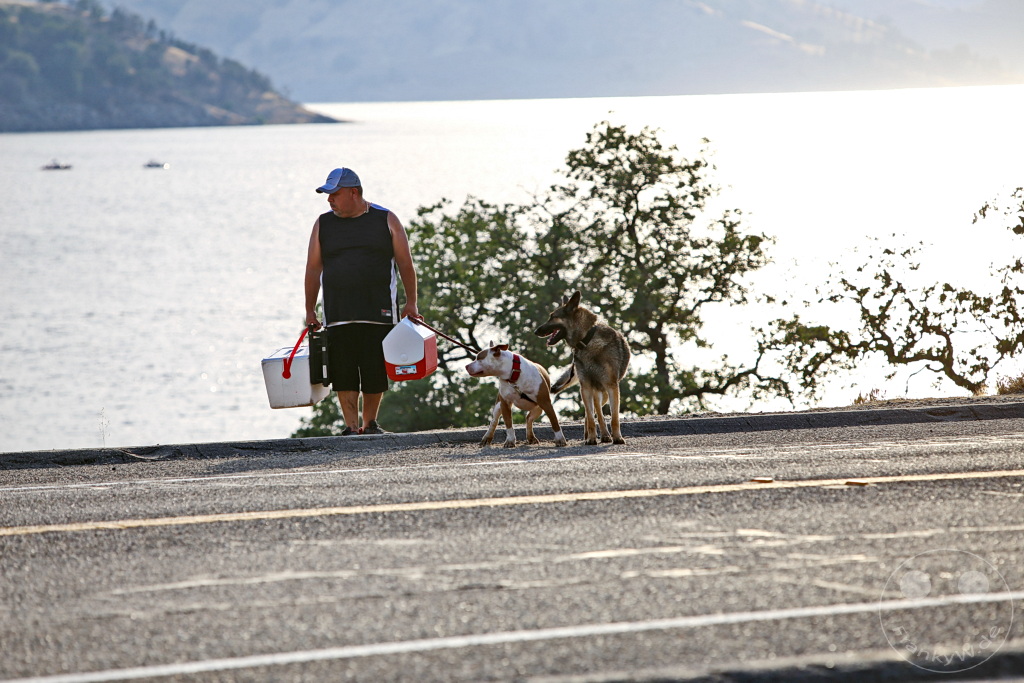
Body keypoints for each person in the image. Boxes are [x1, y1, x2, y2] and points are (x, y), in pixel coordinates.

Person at [304, 167, 420, 435]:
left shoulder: (386, 219)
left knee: (374, 369)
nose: (329, 199)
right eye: (327, 194)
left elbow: (405, 263)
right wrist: (310, 309)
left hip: (378, 311)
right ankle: (350, 426)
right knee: (342, 371)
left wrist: (411, 303)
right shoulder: (323, 223)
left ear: (353, 192)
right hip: (338, 312)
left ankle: (369, 424)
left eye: (334, 194)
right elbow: (313, 268)